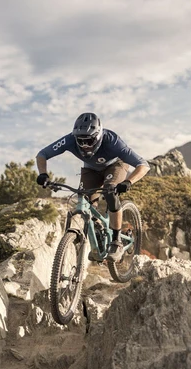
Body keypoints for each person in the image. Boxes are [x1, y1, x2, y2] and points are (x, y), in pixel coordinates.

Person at [35, 112, 150, 261]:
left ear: (98, 136)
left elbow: (143, 165)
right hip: (91, 169)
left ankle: (116, 241)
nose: (84, 146)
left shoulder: (113, 141)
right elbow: (42, 154)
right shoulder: (69, 140)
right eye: (80, 141)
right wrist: (43, 174)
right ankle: (98, 234)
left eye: (89, 141)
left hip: (115, 165)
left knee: (110, 191)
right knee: (85, 199)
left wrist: (128, 182)